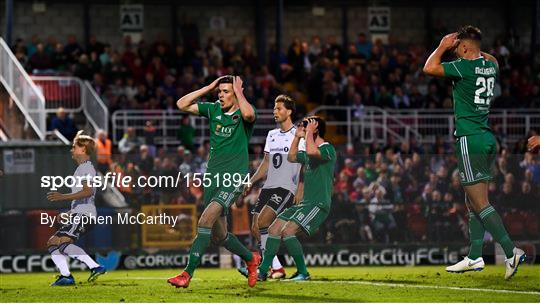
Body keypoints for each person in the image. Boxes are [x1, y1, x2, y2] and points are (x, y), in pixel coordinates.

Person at [423, 25, 525, 279]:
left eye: (459, 47)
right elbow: (490, 58)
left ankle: (512, 251)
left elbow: (429, 68)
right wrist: (472, 46)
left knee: (480, 202)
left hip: (470, 139)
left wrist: (442, 46)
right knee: (472, 200)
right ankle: (474, 255)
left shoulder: (464, 68)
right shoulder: (490, 66)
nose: (455, 51)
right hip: (487, 137)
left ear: (466, 47)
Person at [167, 75, 261, 288]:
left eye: (226, 91)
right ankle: (251, 258)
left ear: (236, 94)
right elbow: (181, 104)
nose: (221, 95)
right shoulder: (213, 109)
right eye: (219, 91)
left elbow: (249, 113)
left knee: (204, 220)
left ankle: (186, 274)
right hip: (213, 178)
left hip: (233, 177)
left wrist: (240, 92)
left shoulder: (243, 113)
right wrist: (208, 87)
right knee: (220, 235)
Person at [257, 116, 336, 281]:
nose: (302, 127)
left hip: (318, 203)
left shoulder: (328, 149)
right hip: (305, 203)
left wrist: (308, 135)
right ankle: (263, 271)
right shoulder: (307, 150)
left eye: (306, 125)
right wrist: (297, 136)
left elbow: (313, 151)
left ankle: (303, 272)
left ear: (315, 129)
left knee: (288, 232)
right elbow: (292, 157)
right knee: (273, 229)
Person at [238, 95, 302, 279]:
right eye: (274, 108)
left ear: (289, 111)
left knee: (264, 222)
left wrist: (300, 188)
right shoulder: (272, 135)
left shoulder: (298, 135)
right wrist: (251, 180)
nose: (275, 112)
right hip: (269, 187)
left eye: (279, 108)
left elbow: (305, 164)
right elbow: (266, 163)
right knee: (256, 229)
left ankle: (263, 269)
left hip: (286, 187)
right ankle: (276, 268)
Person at [46, 131, 106, 286]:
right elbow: (86, 196)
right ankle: (66, 275)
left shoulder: (85, 168)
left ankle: (95, 266)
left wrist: (62, 197)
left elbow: (88, 192)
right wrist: (69, 214)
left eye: (74, 147)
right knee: (53, 242)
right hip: (80, 214)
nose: (71, 150)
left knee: (64, 242)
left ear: (83, 150)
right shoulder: (83, 168)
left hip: (84, 215)